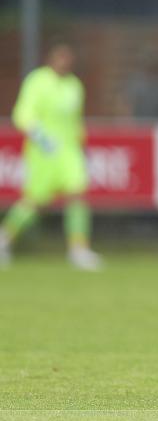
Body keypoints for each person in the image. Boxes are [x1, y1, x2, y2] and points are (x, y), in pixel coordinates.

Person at [0, 42, 103, 271]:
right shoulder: (37, 81)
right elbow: (22, 114)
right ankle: (4, 238)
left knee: (78, 194)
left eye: (68, 59)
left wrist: (81, 144)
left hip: (69, 152)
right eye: (60, 58)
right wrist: (40, 136)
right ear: (51, 59)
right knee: (35, 203)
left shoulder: (74, 85)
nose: (65, 63)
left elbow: (76, 121)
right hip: (43, 152)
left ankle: (78, 249)